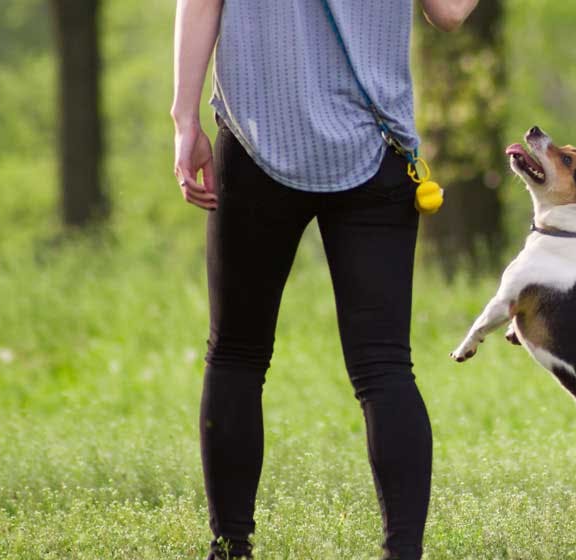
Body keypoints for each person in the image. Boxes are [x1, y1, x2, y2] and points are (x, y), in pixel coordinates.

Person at [170, 1, 478, 558]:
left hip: (257, 138)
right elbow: (451, 12)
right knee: (384, 366)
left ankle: (231, 546)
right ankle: (402, 551)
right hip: (374, 145)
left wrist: (184, 119)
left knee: (237, 353)